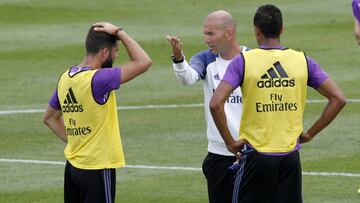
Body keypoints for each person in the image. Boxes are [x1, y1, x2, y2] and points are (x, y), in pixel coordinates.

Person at [210, 4, 346, 203]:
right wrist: (310, 133)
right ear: (282, 29)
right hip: (290, 157)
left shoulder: (243, 61)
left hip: (256, 155)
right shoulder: (302, 60)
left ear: (257, 31)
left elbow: (215, 104)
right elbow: (338, 99)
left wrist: (230, 143)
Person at [43, 22, 152, 203]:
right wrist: (119, 32)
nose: (116, 56)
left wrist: (78, 141)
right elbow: (143, 62)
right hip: (97, 167)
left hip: (73, 167)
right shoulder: (99, 79)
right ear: (104, 53)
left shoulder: (65, 78)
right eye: (116, 52)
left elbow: (50, 118)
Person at [166, 10, 249, 203]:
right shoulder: (206, 59)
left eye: (210, 34)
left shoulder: (252, 59)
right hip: (219, 153)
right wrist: (178, 58)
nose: (205, 39)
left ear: (228, 33)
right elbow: (188, 78)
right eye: (205, 33)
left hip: (251, 151)